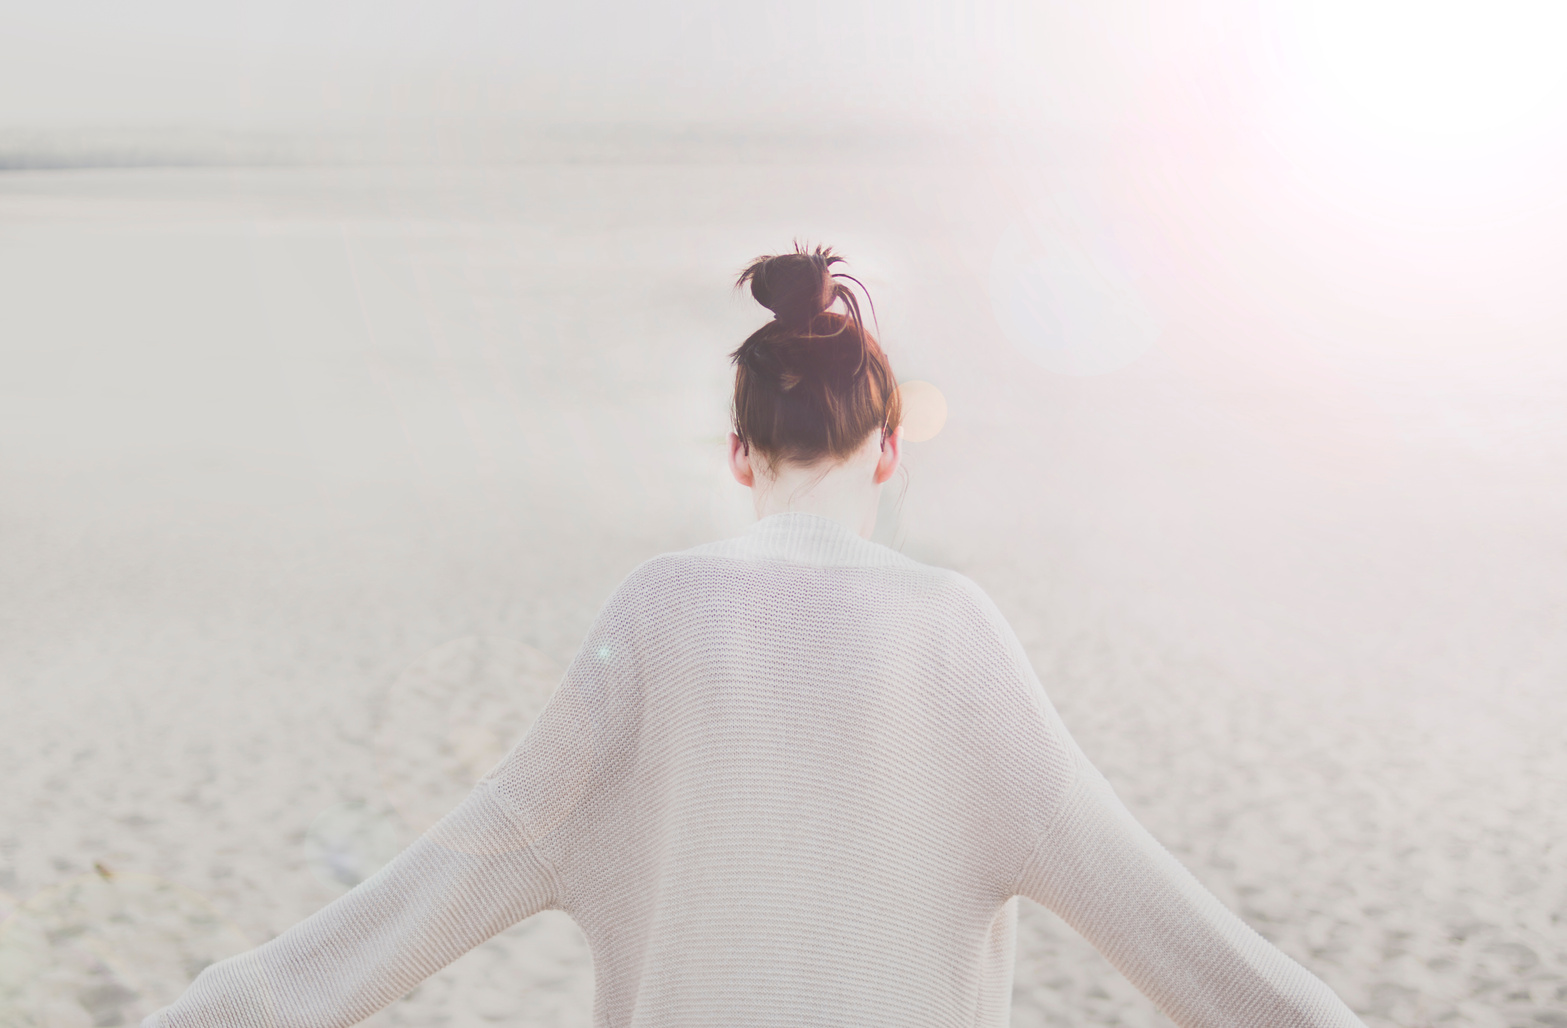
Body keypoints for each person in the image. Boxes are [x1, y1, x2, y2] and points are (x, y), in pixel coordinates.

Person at [144, 244, 1364, 1028]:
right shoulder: (954, 632)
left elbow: (417, 901)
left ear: (739, 455)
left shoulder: (655, 616)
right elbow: (1191, 948)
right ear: (887, 449)